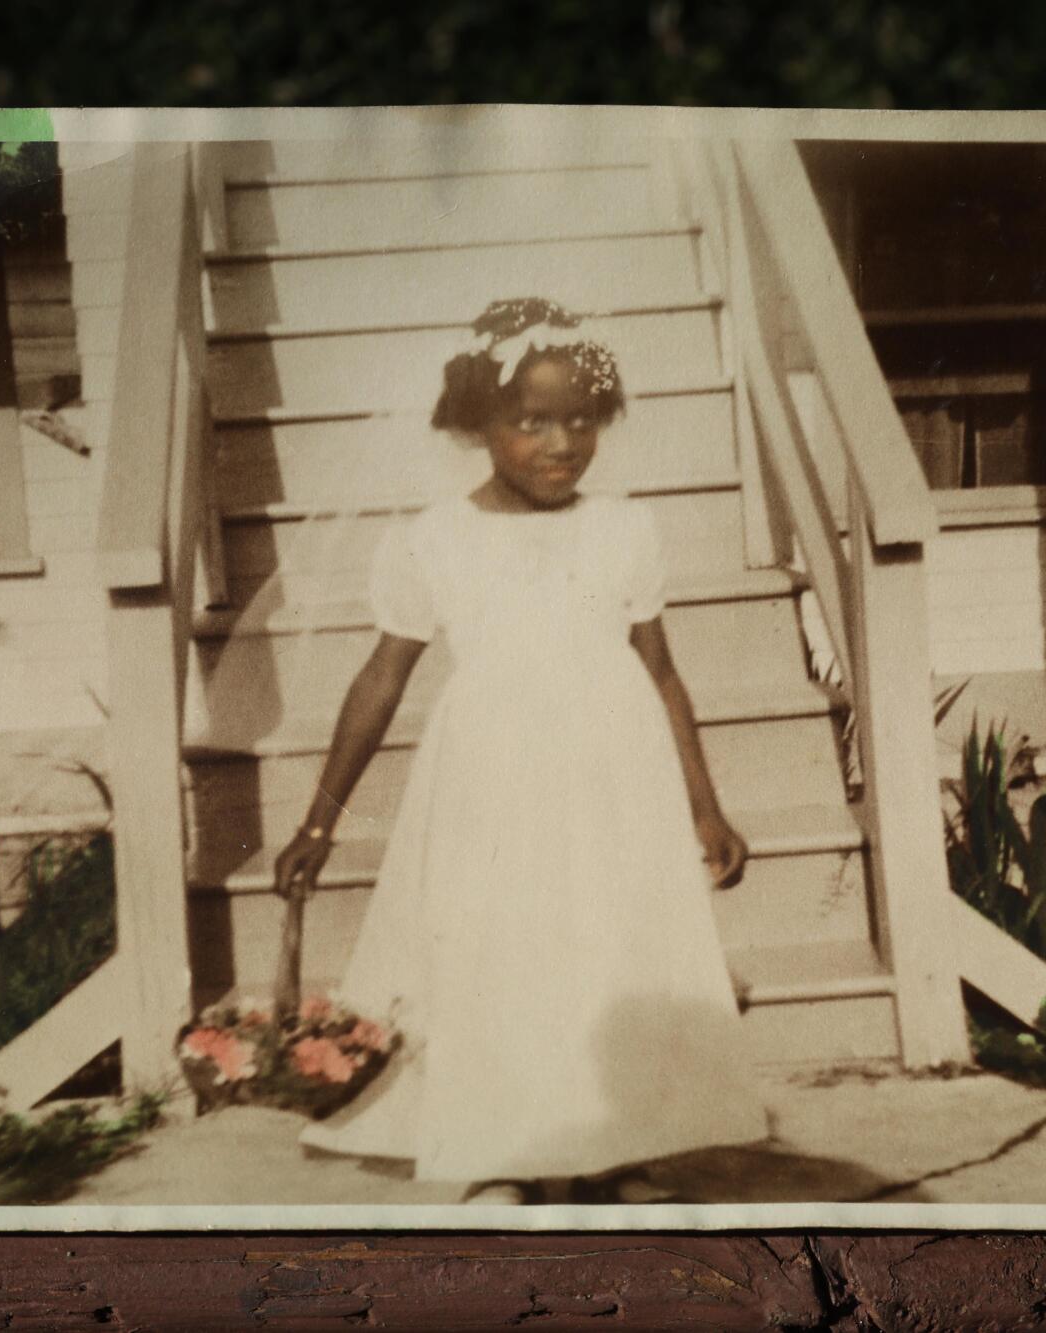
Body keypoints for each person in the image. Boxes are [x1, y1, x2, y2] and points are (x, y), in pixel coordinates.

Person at [271, 297, 770, 1205]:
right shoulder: (433, 538)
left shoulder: (625, 527)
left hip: (612, 775)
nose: (561, 442)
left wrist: (704, 802)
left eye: (581, 418)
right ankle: (503, 1145)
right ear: (477, 424)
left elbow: (660, 673)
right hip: (491, 780)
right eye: (531, 420)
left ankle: (616, 1144)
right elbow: (380, 681)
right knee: (497, 957)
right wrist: (321, 820)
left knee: (608, 951)